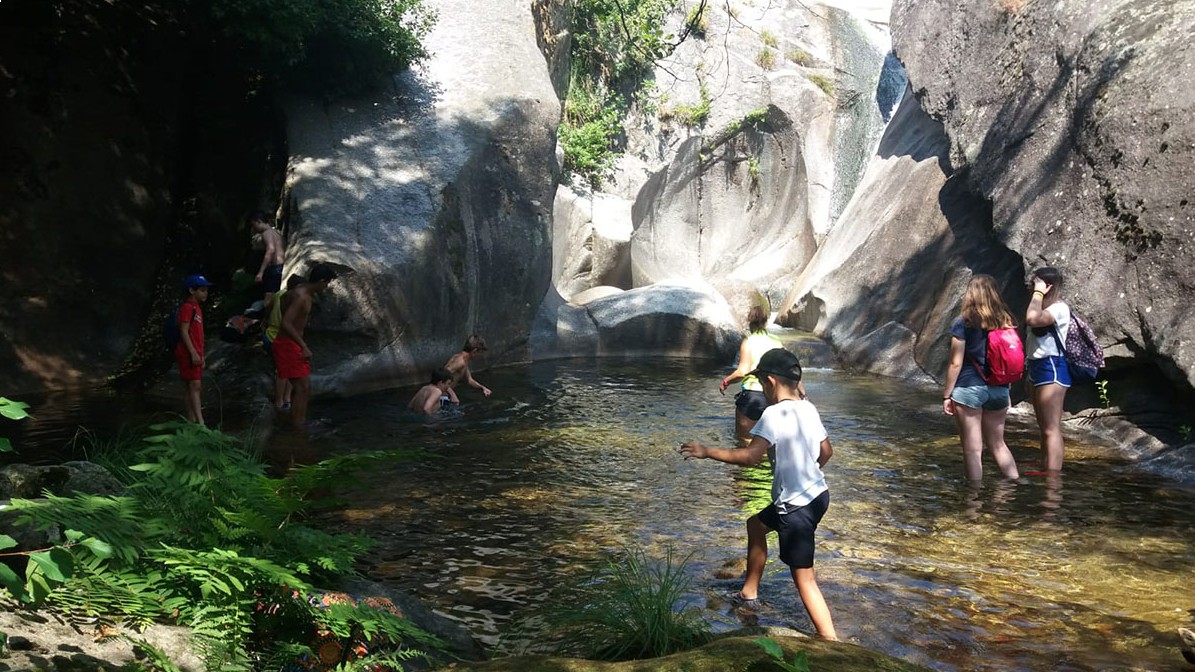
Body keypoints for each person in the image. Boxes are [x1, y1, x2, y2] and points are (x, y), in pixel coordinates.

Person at [679, 348, 837, 641]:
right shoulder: (808, 408)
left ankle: (832, 642)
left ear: (771, 382)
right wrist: (804, 473)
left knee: (804, 579)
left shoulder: (772, 415)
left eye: (763, 384)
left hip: (796, 507)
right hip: (818, 496)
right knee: (756, 524)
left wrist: (706, 451)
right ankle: (749, 592)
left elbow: (750, 457)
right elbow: (826, 452)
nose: (763, 390)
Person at [941, 274, 1021, 481]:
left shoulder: (964, 323)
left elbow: (955, 362)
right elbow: (1008, 358)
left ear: (970, 294)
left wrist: (946, 395)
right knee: (998, 444)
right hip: (999, 389)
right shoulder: (1006, 321)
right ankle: (1013, 489)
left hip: (969, 388)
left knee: (973, 450)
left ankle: (973, 503)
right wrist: (1006, 389)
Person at [719, 306, 806, 442]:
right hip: (774, 396)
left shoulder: (748, 342)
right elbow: (790, 368)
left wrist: (726, 381)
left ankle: (750, 463)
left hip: (753, 396)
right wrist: (802, 393)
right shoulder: (776, 341)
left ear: (749, 322)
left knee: (745, 440)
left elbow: (742, 372)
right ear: (766, 322)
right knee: (771, 442)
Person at [273, 263, 337, 429]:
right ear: (322, 281)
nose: (326, 287)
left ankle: (299, 422)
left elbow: (281, 298)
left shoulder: (299, 289)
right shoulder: (302, 296)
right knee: (302, 388)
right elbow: (286, 323)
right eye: (327, 283)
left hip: (289, 343)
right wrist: (303, 345)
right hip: (289, 344)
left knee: (304, 387)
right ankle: (298, 426)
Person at [1024, 266, 1071, 472]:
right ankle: (1046, 464)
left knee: (1051, 428)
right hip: (1037, 367)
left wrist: (1037, 293)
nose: (1031, 288)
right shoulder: (1043, 307)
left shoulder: (1059, 308)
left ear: (1047, 286)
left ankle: (1052, 479)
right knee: (1044, 427)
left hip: (1052, 367)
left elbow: (1032, 320)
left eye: (1035, 283)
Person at [262, 275, 304, 411]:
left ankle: (285, 399)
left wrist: (265, 322)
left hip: (270, 335)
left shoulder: (279, 294)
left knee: (285, 369)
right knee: (284, 370)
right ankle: (282, 400)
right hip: (281, 337)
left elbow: (268, 309)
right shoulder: (295, 300)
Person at [176, 274, 213, 424]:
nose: (205, 293)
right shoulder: (187, 307)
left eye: (206, 290)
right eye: (202, 290)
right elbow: (183, 331)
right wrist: (192, 353)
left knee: (191, 386)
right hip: (188, 353)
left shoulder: (196, 308)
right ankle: (200, 422)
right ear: (192, 290)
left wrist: (201, 354)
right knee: (195, 386)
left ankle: (191, 420)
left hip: (195, 352)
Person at [251, 211, 285, 306]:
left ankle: (267, 319)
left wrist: (261, 272)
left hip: (274, 267)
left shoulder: (266, 233)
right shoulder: (277, 233)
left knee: (268, 297)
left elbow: (270, 250)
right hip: (281, 266)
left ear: (258, 221)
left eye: (254, 225)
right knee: (274, 296)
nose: (254, 229)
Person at [444, 335, 491, 402]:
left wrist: (483, 388)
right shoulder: (460, 362)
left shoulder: (464, 361)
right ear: (474, 351)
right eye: (480, 353)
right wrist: (453, 395)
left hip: (446, 396)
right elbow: (440, 377)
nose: (480, 356)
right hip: (441, 397)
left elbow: (469, 380)